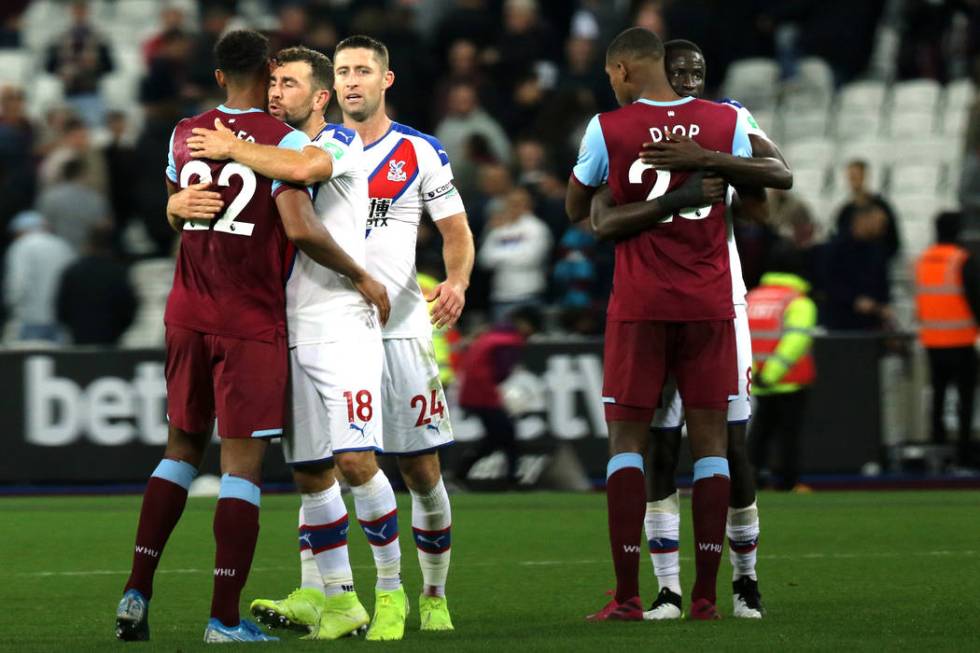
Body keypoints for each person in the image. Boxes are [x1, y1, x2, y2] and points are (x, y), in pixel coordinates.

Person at [184, 35, 475, 636]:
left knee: (406, 468)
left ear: (382, 80)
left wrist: (457, 281)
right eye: (342, 70)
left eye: (360, 71)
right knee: (314, 470)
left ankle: (415, 593)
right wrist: (176, 203)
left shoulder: (358, 146)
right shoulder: (283, 146)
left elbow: (452, 229)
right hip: (294, 322)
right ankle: (332, 597)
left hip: (378, 321)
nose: (350, 81)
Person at [114, 30, 388, 645]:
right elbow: (296, 222)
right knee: (240, 468)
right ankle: (224, 619)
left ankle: (137, 587)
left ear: (215, 77)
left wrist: (173, 207)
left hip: (186, 309)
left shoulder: (184, 131)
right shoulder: (283, 140)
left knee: (178, 451)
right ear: (267, 75)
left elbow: (176, 203)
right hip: (249, 318)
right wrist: (361, 274)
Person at [588, 37, 792, 621]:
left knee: (731, 443)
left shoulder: (727, 121)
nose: (691, 79)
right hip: (661, 299)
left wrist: (709, 160)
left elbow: (767, 196)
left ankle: (744, 580)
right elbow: (601, 209)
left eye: (699, 70)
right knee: (660, 444)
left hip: (720, 300)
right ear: (660, 74)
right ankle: (670, 589)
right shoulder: (632, 130)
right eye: (680, 71)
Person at [747, 241, 818, 491]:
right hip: (789, 380)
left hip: (756, 380)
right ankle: (788, 482)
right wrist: (773, 373)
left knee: (760, 433)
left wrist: (757, 373)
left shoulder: (751, 298)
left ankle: (751, 480)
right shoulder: (798, 302)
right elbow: (795, 340)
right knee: (789, 434)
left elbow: (743, 339)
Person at [914, 211, 980, 468]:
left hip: (932, 342)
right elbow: (976, 300)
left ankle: (938, 455)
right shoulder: (961, 260)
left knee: (938, 400)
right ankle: (963, 456)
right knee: (964, 403)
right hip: (961, 341)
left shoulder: (922, 261)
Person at [455, 306, 543, 483]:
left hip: (471, 393)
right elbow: (502, 371)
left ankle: (462, 473)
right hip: (484, 394)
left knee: (495, 439)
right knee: (508, 435)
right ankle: (511, 478)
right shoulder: (510, 341)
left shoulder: (492, 335)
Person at [478, 186, 552, 321]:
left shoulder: (537, 228)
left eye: (519, 203)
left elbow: (531, 259)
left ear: (528, 204)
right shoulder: (498, 229)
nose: (514, 206)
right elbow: (484, 259)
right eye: (511, 203)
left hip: (529, 296)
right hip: (500, 297)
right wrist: (515, 254)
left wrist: (500, 255)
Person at [56, 223, 136, 345]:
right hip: (110, 340)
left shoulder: (73, 271)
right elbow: (129, 308)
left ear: (88, 243)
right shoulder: (118, 272)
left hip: (79, 338)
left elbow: (61, 309)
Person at [3, 210, 75, 342]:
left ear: (19, 231)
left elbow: (18, 283)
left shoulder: (21, 246)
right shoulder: (63, 246)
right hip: (59, 321)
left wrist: (11, 308)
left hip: (30, 319)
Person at [823, 203, 894, 331]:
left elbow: (882, 283)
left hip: (870, 325)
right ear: (862, 220)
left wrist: (883, 305)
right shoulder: (836, 249)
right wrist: (854, 300)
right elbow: (829, 283)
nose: (883, 228)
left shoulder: (878, 249)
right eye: (878, 223)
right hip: (841, 324)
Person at [834, 159, 900, 261]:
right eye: (851, 177)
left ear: (865, 176)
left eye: (857, 176)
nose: (853, 181)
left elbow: (893, 242)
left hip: (875, 268)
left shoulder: (882, 207)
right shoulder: (845, 212)